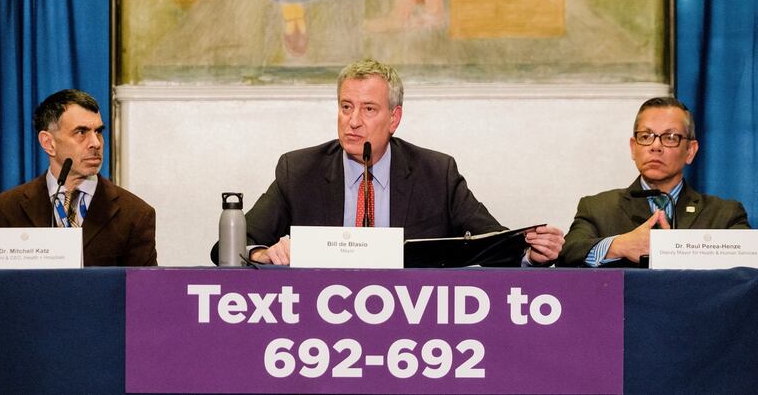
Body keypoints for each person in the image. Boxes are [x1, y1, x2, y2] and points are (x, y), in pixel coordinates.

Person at [212, 58, 564, 266]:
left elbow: (491, 242)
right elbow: (230, 247)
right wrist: (263, 253)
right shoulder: (299, 170)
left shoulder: (435, 173)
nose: (353, 121)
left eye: (368, 109)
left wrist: (532, 253)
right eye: (346, 107)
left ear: (394, 118)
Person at [558, 97, 751, 267]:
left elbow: (748, 265)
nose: (655, 146)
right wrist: (619, 246)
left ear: (690, 151)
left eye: (670, 137)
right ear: (633, 148)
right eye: (646, 136)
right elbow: (567, 256)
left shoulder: (725, 214)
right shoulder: (598, 208)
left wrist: (679, 250)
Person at [0, 89, 158, 266]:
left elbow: (145, 290)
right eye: (81, 132)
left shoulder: (136, 214)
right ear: (48, 143)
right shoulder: (5, 210)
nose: (96, 143)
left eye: (98, 132)